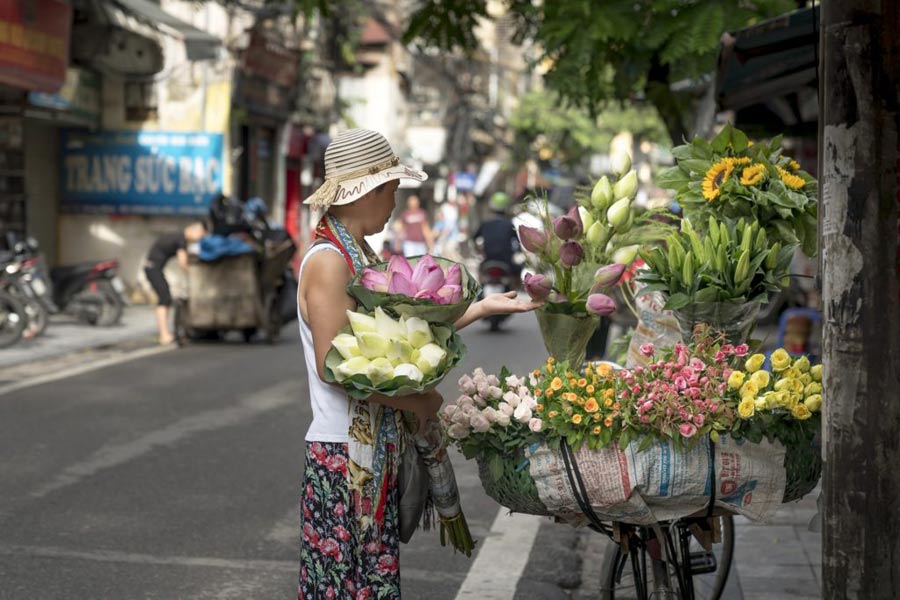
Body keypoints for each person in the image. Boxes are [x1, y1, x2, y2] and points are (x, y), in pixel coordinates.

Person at [296, 129, 541, 600]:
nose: (394, 202)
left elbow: (406, 340)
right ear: (364, 191)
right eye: (390, 190)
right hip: (344, 458)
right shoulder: (329, 262)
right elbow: (337, 368)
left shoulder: (360, 254)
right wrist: (420, 398)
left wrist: (483, 309)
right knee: (347, 587)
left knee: (370, 582)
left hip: (369, 454)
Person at [144, 221, 207, 345]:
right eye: (201, 235)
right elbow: (182, 262)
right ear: (196, 230)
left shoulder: (177, 236)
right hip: (152, 268)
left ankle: (165, 333)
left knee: (165, 299)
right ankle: (164, 335)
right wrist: (194, 275)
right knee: (165, 299)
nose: (199, 239)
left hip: (154, 268)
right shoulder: (181, 239)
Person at [473, 191, 521, 277]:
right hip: (506, 261)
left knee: (480, 274)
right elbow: (517, 243)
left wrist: (479, 251)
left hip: (488, 259)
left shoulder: (485, 223)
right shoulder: (509, 224)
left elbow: (474, 239)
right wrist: (517, 252)